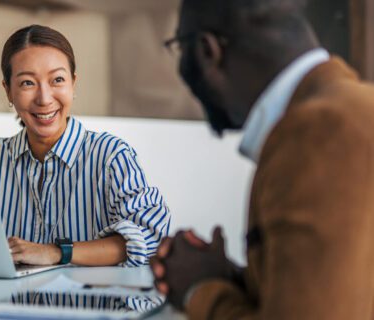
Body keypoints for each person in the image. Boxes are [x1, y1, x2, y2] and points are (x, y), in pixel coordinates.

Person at [150, 0, 374, 318]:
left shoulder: (317, 132)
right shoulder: (354, 107)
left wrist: (199, 291)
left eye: (179, 48)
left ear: (207, 51)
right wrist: (234, 278)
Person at [0, 25, 170, 267]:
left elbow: (149, 235)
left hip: (91, 305)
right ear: (8, 91)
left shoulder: (111, 157)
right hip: (2, 304)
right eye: (27, 83)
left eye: (57, 80)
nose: (45, 98)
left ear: (73, 84)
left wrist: (56, 252)